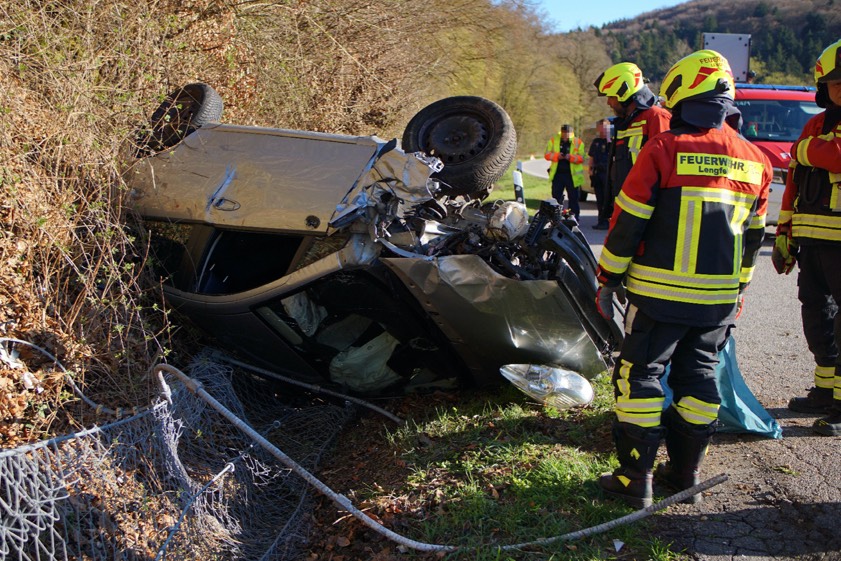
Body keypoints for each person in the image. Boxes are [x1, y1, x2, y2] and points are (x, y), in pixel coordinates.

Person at [594, 50, 772, 508]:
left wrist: (608, 277)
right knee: (700, 378)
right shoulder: (756, 161)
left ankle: (637, 477)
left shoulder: (663, 148)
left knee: (640, 377)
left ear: (684, 92)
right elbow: (752, 241)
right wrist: (740, 291)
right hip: (717, 301)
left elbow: (627, 223)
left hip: (657, 297)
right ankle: (685, 474)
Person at [774, 38, 841, 436]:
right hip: (813, 242)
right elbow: (796, 183)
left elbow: (829, 156)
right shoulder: (817, 124)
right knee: (817, 316)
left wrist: (806, 150)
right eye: (837, 83)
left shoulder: (812, 135)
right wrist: (784, 233)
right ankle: (825, 391)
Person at [593, 62, 671, 224]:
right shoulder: (625, 123)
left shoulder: (656, 117)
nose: (608, 102)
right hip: (626, 211)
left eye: (611, 96)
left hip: (647, 217)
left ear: (624, 93)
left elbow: (666, 171)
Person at [544, 124, 586, 219]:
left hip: (572, 175)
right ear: (561, 132)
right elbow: (547, 155)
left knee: (573, 198)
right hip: (558, 174)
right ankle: (555, 217)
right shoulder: (554, 141)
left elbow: (582, 157)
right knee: (556, 197)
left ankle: (574, 217)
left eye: (568, 133)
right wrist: (557, 156)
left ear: (571, 133)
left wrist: (570, 157)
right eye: (564, 133)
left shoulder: (578, 142)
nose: (566, 135)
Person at [588, 118, 612, 229]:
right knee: (599, 198)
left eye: (605, 127)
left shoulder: (611, 141)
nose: (603, 129)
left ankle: (608, 221)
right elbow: (591, 157)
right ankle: (600, 221)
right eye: (601, 127)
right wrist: (590, 169)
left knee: (608, 198)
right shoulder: (596, 142)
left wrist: (608, 139)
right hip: (598, 173)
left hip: (608, 173)